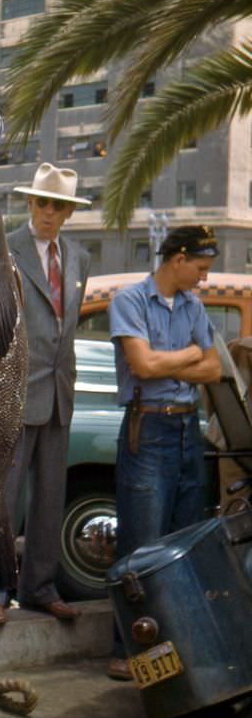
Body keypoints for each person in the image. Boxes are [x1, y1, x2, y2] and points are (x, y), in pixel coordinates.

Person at [0, 162, 91, 625]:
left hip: (60, 393)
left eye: (59, 205)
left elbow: (65, 327)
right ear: (29, 203)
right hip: (15, 391)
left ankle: (40, 586)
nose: (49, 211)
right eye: (43, 202)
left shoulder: (79, 257)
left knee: (50, 496)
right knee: (5, 494)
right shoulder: (5, 249)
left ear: (68, 212)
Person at [107, 225, 221, 680]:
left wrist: (177, 359)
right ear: (178, 259)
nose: (204, 279)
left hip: (185, 428)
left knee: (182, 541)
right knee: (140, 543)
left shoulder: (193, 305)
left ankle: (174, 648)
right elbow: (143, 365)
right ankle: (127, 650)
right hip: (148, 425)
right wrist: (190, 353)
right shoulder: (130, 301)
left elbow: (213, 369)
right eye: (200, 267)